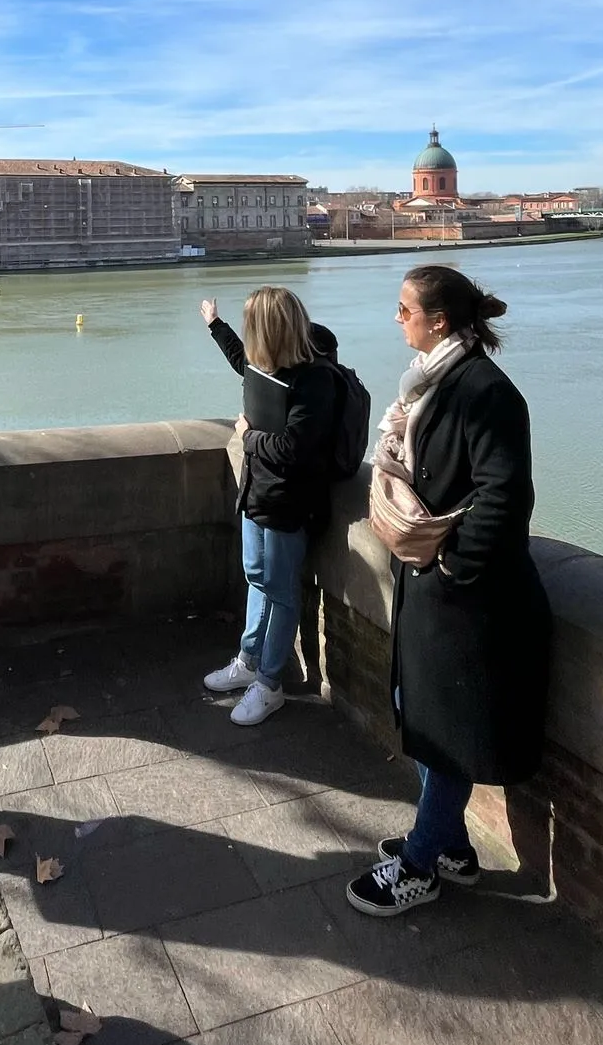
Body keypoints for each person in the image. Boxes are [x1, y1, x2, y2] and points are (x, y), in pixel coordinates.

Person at [345, 263, 551, 918]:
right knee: (424, 713)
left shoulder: (485, 392)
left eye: (405, 309)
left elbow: (506, 495)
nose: (397, 318)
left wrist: (454, 568)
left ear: (439, 320)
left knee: (448, 729)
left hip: (469, 597)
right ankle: (454, 846)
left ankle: (420, 863)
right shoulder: (431, 384)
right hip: (429, 588)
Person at [199, 286, 337, 725]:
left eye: (248, 326)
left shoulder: (316, 379)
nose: (246, 333)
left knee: (280, 591)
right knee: (256, 578)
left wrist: (246, 435)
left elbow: (292, 447)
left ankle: (271, 683)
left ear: (268, 330)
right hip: (256, 493)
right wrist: (214, 327)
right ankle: (249, 659)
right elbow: (243, 362)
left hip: (287, 502)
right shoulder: (265, 365)